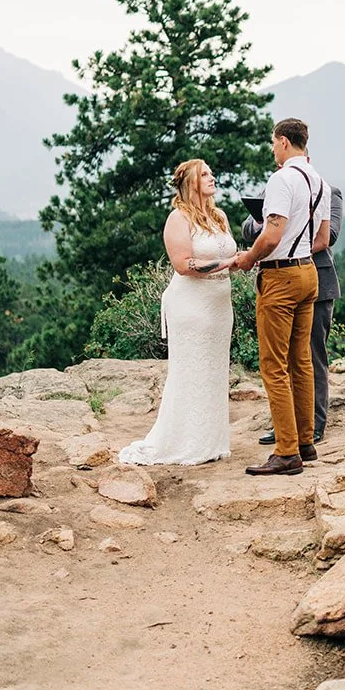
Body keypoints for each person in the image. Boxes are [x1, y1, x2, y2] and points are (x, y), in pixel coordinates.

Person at [118, 158, 239, 466]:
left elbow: (229, 252)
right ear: (191, 183)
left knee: (214, 371)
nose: (213, 178)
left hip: (220, 306)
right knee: (191, 371)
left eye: (212, 172)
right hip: (191, 306)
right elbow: (183, 265)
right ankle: (184, 442)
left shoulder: (220, 216)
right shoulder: (178, 218)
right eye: (205, 174)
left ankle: (210, 441)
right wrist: (228, 263)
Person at [233, 118, 329, 476]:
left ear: (285, 142)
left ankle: (286, 451)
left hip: (281, 277)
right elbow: (321, 238)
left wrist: (248, 258)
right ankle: (306, 441)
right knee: (300, 361)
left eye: (273, 143)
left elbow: (272, 234)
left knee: (273, 365)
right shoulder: (318, 180)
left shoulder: (281, 179)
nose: (272, 149)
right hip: (309, 273)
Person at [247, 173, 342, 446]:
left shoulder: (328, 191)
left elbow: (329, 235)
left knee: (311, 356)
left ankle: (313, 425)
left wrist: (289, 238)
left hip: (317, 283)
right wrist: (262, 223)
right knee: (284, 356)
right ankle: (286, 426)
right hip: (283, 277)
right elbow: (248, 229)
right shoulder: (278, 189)